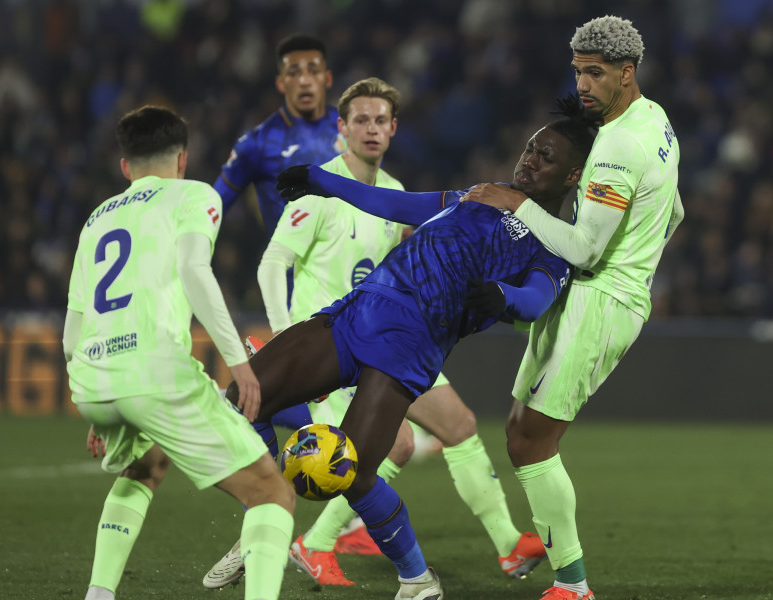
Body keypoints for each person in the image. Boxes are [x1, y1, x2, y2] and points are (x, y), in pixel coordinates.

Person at [294, 16, 685, 600]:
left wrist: (513, 203)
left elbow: (584, 248)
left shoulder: (615, 149)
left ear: (626, 73)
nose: (582, 84)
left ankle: (573, 586)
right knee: (520, 435)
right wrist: (644, 259)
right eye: (578, 70)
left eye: (595, 73)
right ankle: (531, 557)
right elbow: (673, 209)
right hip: (607, 293)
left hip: (600, 298)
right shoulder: (656, 123)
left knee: (532, 442)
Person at [226, 107, 595, 600]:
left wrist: (505, 298)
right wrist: (322, 180)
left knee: (353, 474)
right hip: (359, 310)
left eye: (545, 156)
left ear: (572, 174)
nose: (529, 160)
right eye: (530, 147)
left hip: (410, 344)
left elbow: (537, 301)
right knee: (244, 396)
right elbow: (402, 205)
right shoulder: (481, 194)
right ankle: (265, 523)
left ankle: (417, 580)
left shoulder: (555, 245)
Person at [63, 106, 295, 600]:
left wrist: (104, 396)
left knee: (145, 464)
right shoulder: (195, 195)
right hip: (154, 372)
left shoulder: (94, 220)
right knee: (272, 492)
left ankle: (98, 595)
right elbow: (195, 271)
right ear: (183, 159)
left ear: (125, 167)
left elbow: (71, 332)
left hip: (93, 378)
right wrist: (239, 362)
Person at [213, 32, 343, 236]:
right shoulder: (257, 144)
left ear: (327, 78)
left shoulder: (355, 131)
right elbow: (214, 207)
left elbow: (379, 187)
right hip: (292, 264)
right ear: (281, 83)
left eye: (313, 71)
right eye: (294, 73)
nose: (304, 81)